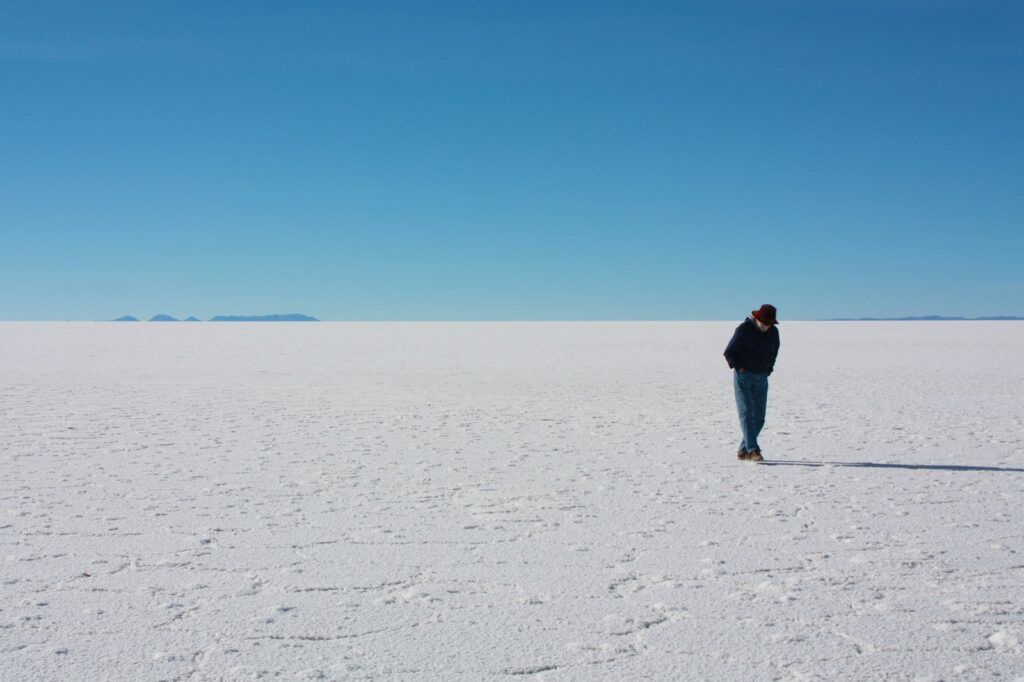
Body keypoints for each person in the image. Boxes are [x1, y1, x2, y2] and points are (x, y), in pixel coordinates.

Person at [723, 304, 780, 462]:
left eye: (770, 324)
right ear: (757, 318)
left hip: (762, 377)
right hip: (744, 376)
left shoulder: (774, 333)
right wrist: (739, 367)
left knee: (760, 417)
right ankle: (754, 450)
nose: (767, 326)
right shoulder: (744, 329)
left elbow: (774, 352)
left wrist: (768, 369)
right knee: (747, 413)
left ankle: (743, 450)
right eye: (765, 322)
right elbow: (729, 352)